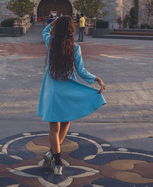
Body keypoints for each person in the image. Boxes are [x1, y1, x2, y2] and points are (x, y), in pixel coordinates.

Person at [37, 16, 106, 176]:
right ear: (71, 29)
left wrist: (53, 22)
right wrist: (96, 78)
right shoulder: (75, 47)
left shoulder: (51, 43)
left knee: (54, 127)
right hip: (68, 89)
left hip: (52, 89)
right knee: (66, 121)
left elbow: (45, 31)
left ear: (58, 29)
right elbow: (81, 71)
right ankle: (55, 156)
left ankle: (56, 160)